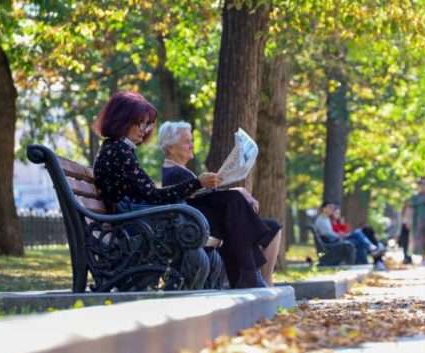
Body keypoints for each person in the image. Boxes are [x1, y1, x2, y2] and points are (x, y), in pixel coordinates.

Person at [92, 92, 276, 289]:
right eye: (139, 123)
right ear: (122, 120)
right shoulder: (118, 150)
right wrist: (197, 183)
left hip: (136, 218)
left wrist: (198, 184)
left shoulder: (117, 149)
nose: (144, 130)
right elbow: (153, 195)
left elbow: (148, 194)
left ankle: (248, 277)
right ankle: (248, 277)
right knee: (231, 203)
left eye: (146, 124)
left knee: (232, 203)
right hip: (134, 223)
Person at [158, 121, 282, 287]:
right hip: (196, 226)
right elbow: (199, 199)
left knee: (263, 223)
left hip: (204, 222)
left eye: (192, 141)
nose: (192, 145)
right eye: (187, 142)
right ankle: (250, 276)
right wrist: (238, 192)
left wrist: (237, 190)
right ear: (171, 148)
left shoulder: (180, 171)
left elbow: (202, 195)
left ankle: (258, 279)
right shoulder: (173, 173)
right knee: (236, 202)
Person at [314, 202, 383, 266]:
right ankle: (371, 249)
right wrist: (339, 235)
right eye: (330, 207)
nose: (332, 209)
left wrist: (340, 233)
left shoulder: (326, 219)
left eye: (332, 208)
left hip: (335, 239)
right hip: (333, 241)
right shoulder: (322, 220)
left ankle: (363, 261)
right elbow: (327, 233)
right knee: (358, 233)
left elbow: (333, 232)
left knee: (359, 239)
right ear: (324, 208)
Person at [404, 177, 425, 266]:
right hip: (418, 221)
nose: (423, 186)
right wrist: (407, 220)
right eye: (421, 184)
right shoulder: (415, 196)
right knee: (421, 240)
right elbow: (409, 209)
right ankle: (423, 259)